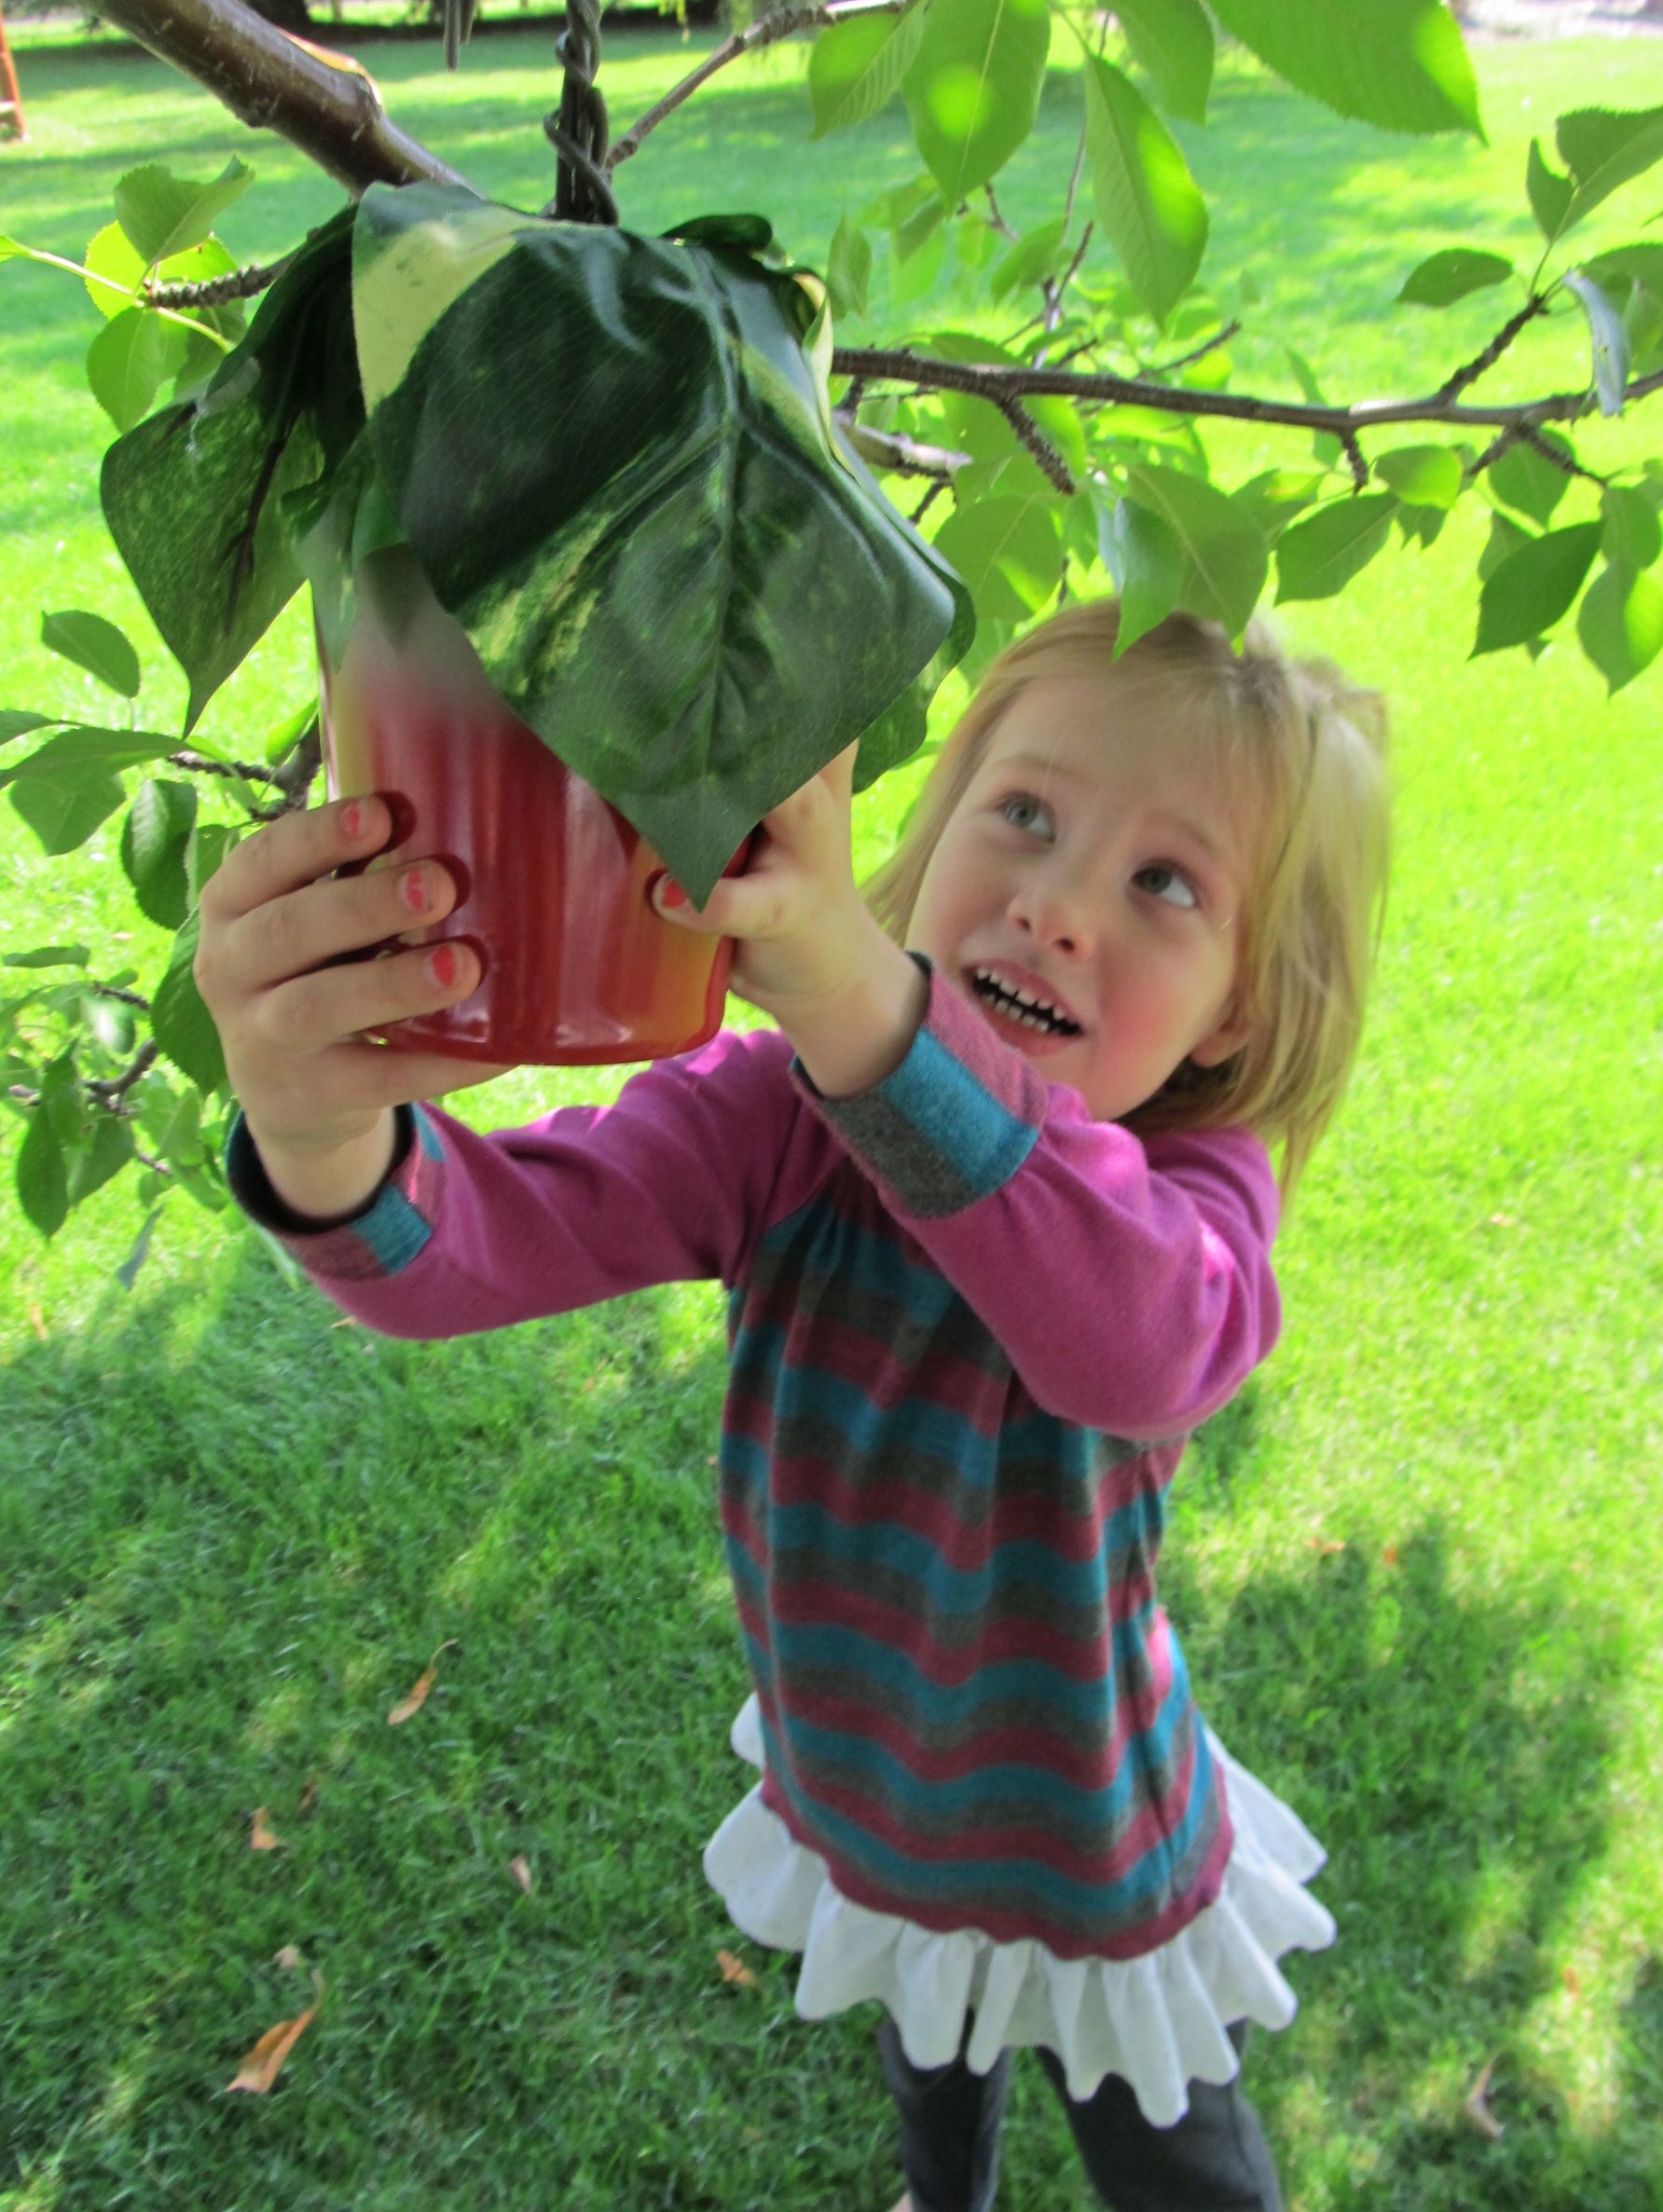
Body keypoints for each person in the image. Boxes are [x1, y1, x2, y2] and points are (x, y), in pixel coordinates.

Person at [197, 602, 1389, 2211]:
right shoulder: (782, 1123)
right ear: (934, 829)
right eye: (1024, 814)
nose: (1052, 907)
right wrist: (314, 1128)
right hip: (871, 1779)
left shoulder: (1197, 1201)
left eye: (1163, 884)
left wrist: (864, 1013)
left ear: (1236, 1013)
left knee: (1165, 2136)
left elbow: (1131, 1343)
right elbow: (459, 1251)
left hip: (1088, 1828)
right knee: (929, 2036)